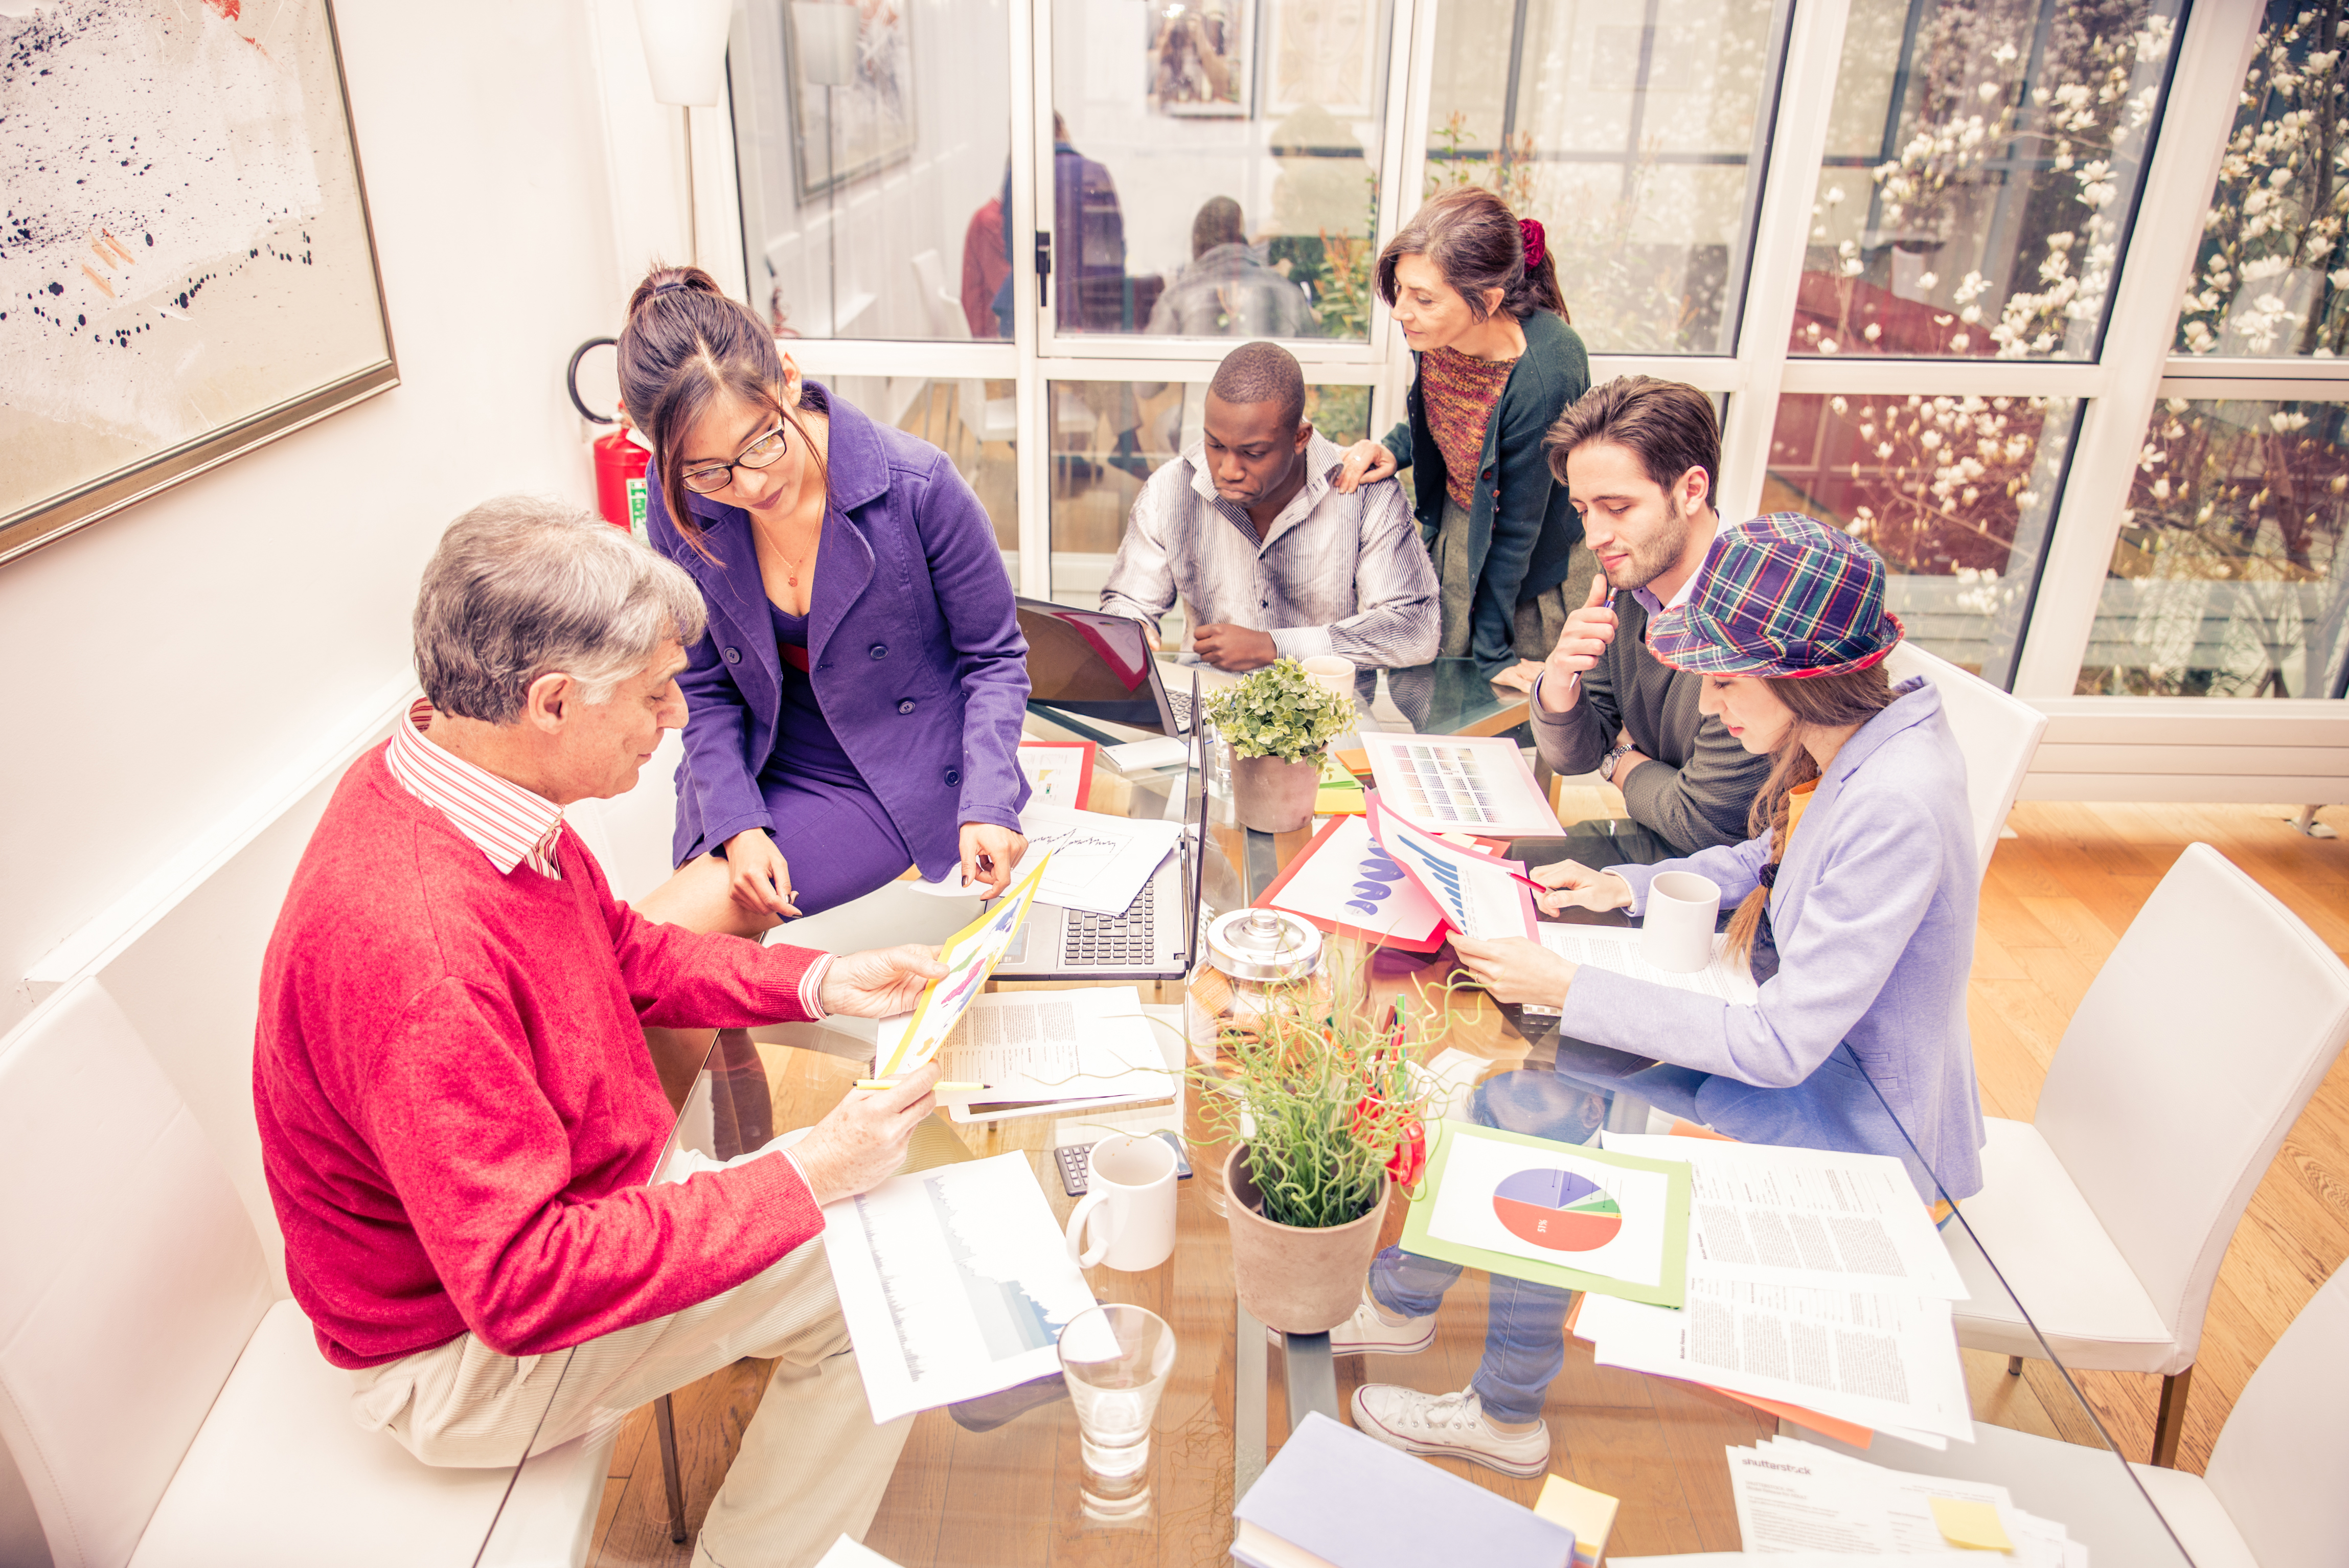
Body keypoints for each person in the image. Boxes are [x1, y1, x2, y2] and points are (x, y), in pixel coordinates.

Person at [253, 499, 960, 1566]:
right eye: (651, 694)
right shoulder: (421, 952)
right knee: (890, 1281)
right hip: (457, 1356)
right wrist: (808, 1169)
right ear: (548, 702)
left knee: (846, 1218)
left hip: (551, 1224)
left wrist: (817, 979)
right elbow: (522, 1284)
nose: (674, 717)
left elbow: (624, 953)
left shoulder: (458, 779)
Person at [1342, 515, 1985, 1478]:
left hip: (1855, 1132)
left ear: (1800, 673)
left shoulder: (1893, 800)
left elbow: (1780, 1046)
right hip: (1815, 1070)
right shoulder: (1855, 738)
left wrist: (1576, 983)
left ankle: (1505, 1407)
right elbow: (1768, 851)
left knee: (1535, 1111)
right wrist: (1626, 887)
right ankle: (1405, 1301)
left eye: (1727, 680)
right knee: (1525, 1084)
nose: (1714, 704)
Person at [619, 265, 1029, 1140]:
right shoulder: (680, 508)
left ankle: (725, 1190)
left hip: (885, 769)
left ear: (789, 380)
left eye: (763, 441)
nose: (752, 482)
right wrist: (736, 820)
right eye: (713, 470)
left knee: (652, 958)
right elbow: (704, 685)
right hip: (760, 760)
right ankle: (727, 1183)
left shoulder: (917, 485)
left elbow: (995, 658)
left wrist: (990, 800)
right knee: (664, 981)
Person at [1333, 186, 1590, 688]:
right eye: (1400, 289)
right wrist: (1394, 448)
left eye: (1422, 298)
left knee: (1496, 721)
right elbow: (1443, 405)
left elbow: (1517, 531)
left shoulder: (1545, 372)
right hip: (1459, 531)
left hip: (1523, 565)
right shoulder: (1438, 328)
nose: (1400, 311)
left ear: (1487, 301)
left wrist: (1494, 651)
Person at [1532, 376, 1770, 862]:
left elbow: (1702, 822)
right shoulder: (1626, 581)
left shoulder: (1756, 619)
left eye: (1617, 508)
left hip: (1731, 895)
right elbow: (1574, 753)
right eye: (1582, 511)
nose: (1595, 535)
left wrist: (1618, 756)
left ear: (1691, 490)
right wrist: (1558, 681)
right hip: (1650, 856)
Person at [1099, 340, 1438, 672]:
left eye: (1253, 453)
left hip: (1324, 716)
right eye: (1215, 444)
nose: (1227, 470)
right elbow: (1127, 605)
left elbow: (1415, 630)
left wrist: (1275, 647)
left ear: (1299, 437)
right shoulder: (1171, 488)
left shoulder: (1364, 494)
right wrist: (1131, 628)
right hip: (1204, 714)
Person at [1146, 196, 1312, 339]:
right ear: (1242, 237)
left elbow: (1149, 368)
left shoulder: (1177, 299)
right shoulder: (1289, 294)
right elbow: (1314, 364)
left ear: (1197, 241)